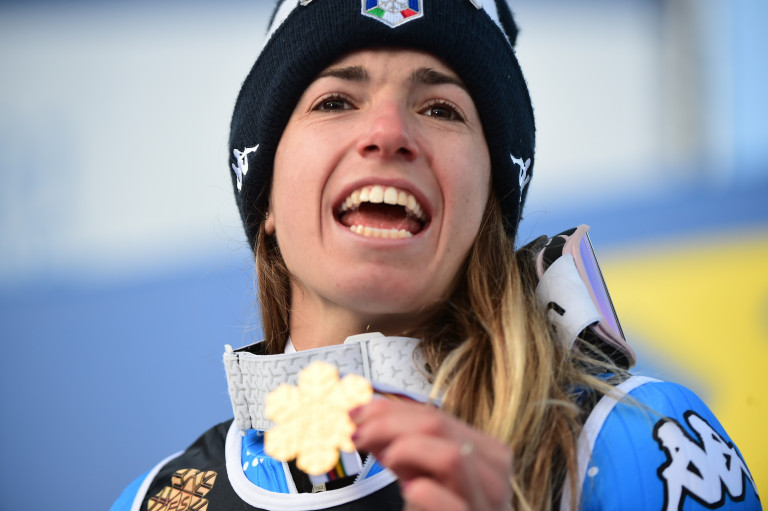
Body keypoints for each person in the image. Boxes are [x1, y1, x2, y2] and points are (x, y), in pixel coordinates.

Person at [112, 1, 761, 510]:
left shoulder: (636, 440)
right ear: (266, 196)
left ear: (488, 205)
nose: (389, 133)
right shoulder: (156, 498)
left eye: (441, 108)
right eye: (336, 100)